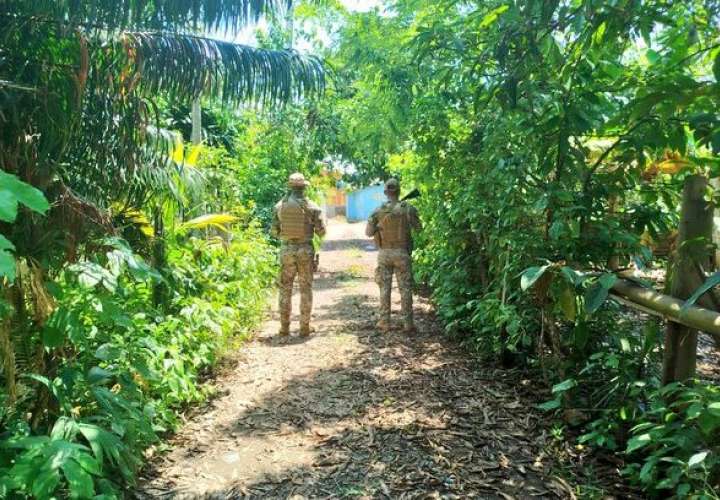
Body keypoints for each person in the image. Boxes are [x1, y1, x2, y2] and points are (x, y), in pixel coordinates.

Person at [270, 173, 326, 337]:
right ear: (304, 187)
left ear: (290, 187)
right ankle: (304, 328)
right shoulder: (313, 207)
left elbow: (274, 232)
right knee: (305, 289)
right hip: (305, 251)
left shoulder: (279, 206)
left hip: (287, 250)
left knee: (285, 289)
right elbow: (321, 232)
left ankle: (284, 328)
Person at [365, 178, 422, 333]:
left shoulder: (377, 211)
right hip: (402, 253)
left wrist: (378, 226)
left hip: (384, 254)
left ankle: (384, 322)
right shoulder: (408, 208)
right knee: (405, 289)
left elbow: (368, 233)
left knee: (384, 289)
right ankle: (408, 324)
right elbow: (419, 228)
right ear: (399, 191)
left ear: (385, 192)